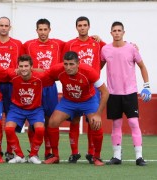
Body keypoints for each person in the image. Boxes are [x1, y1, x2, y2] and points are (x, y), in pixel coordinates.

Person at [44, 51, 109, 166]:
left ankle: (97, 156)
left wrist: (98, 114)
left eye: (71, 64)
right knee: (52, 122)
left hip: (88, 101)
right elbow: (43, 75)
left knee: (96, 123)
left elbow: (105, 92)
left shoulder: (89, 71)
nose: (68, 67)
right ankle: (55, 156)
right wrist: (29, 71)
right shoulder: (58, 70)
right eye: (66, 64)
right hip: (69, 101)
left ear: (78, 63)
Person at [101, 21, 151, 166]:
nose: (116, 33)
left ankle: (139, 157)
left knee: (133, 122)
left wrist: (146, 85)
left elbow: (142, 66)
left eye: (119, 30)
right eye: (114, 30)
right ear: (111, 33)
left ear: (123, 32)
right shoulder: (105, 50)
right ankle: (116, 156)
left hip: (130, 92)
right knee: (116, 124)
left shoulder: (131, 49)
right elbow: (97, 68)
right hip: (113, 93)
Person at [62, 16, 106, 164]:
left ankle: (91, 153)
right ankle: (74, 153)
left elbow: (111, 50)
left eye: (84, 25)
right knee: (74, 119)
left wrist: (132, 45)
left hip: (92, 86)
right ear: (76, 27)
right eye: (79, 25)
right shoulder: (69, 44)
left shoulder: (97, 43)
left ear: (89, 26)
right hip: (74, 86)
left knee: (92, 121)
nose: (82, 27)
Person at [23, 18, 64, 160]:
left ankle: (49, 151)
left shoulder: (58, 44)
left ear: (49, 30)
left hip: (50, 87)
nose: (43, 32)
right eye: (40, 29)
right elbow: (19, 61)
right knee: (33, 120)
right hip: (33, 88)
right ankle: (33, 151)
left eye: (45, 29)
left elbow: (77, 46)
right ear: (36, 31)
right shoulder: (28, 45)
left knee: (50, 120)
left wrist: (96, 39)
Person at [5, 55, 54, 164]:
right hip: (17, 108)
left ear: (32, 67)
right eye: (21, 66)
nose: (23, 69)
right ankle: (19, 155)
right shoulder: (13, 75)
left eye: (26, 66)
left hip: (35, 109)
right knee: (8, 129)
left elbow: (52, 73)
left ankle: (33, 155)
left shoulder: (40, 77)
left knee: (40, 129)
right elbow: (3, 70)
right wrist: (14, 70)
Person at [0, 16, 24, 161]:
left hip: (12, 85)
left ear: (10, 27)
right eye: (1, 25)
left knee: (11, 118)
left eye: (6, 25)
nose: (3, 28)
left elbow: (24, 62)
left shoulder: (17, 44)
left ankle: (9, 151)